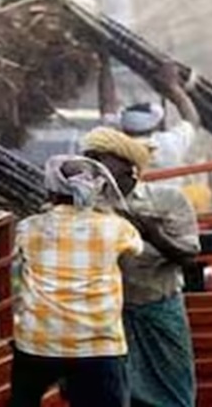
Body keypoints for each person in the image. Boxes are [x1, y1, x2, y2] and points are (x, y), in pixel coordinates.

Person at [10, 154, 142, 407]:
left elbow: (22, 259)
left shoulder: (28, 228)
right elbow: (134, 252)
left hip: (38, 342)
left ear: (50, 190)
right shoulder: (116, 228)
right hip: (98, 344)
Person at [84, 127, 200, 407]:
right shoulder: (84, 207)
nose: (92, 169)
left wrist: (154, 235)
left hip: (158, 309)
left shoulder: (167, 200)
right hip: (107, 317)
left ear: (128, 167)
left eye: (99, 159)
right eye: (88, 160)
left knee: (173, 392)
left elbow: (189, 256)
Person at [99, 64, 210, 214]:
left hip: (128, 217)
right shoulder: (168, 144)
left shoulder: (114, 146)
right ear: (155, 126)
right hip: (167, 214)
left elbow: (107, 104)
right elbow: (192, 119)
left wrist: (105, 64)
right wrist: (173, 88)